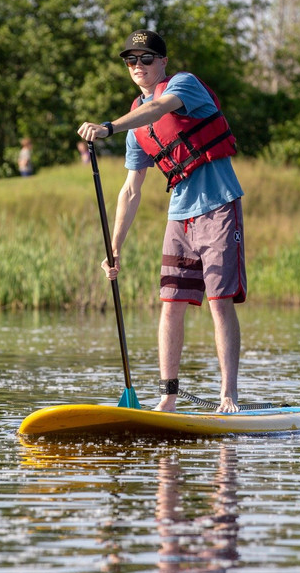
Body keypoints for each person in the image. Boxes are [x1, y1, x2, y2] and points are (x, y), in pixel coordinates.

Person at [77, 29, 246, 413]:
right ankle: (168, 397)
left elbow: (159, 108)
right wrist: (114, 246)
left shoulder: (183, 85)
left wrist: (107, 127)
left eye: (146, 59)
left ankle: (228, 397)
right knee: (171, 304)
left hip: (219, 206)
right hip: (179, 217)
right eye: (131, 61)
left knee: (220, 302)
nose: (138, 66)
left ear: (162, 62)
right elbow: (130, 190)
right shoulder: (137, 128)